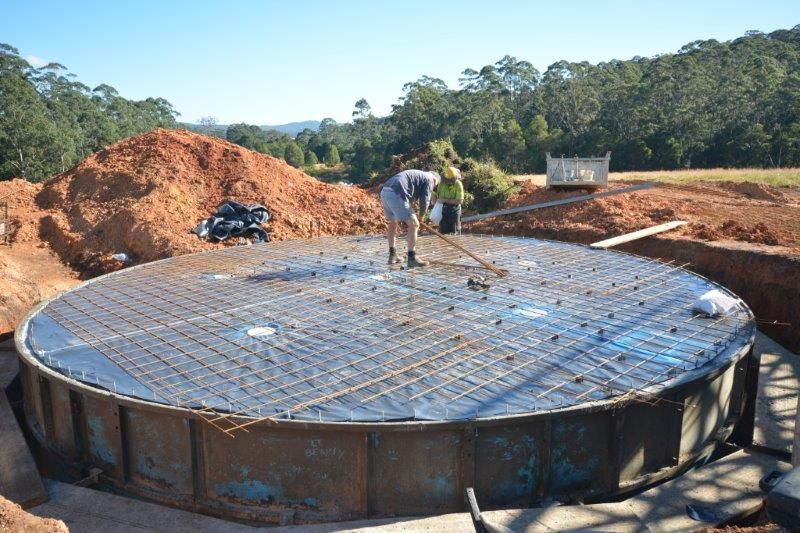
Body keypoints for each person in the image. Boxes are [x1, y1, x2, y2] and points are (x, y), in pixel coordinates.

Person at [380, 169, 440, 268]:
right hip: (397, 193)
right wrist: (421, 217)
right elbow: (425, 201)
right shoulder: (430, 179)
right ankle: (412, 259)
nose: (434, 188)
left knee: (393, 221)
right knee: (414, 224)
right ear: (436, 180)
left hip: (385, 191)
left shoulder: (419, 176)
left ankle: (392, 256)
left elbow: (410, 197)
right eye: (436, 186)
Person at [436, 166, 464, 234]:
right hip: (443, 210)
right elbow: (435, 196)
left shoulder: (458, 184)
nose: (448, 182)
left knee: (455, 233)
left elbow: (460, 201)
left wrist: (444, 200)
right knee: (442, 233)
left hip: (455, 210)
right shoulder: (441, 183)